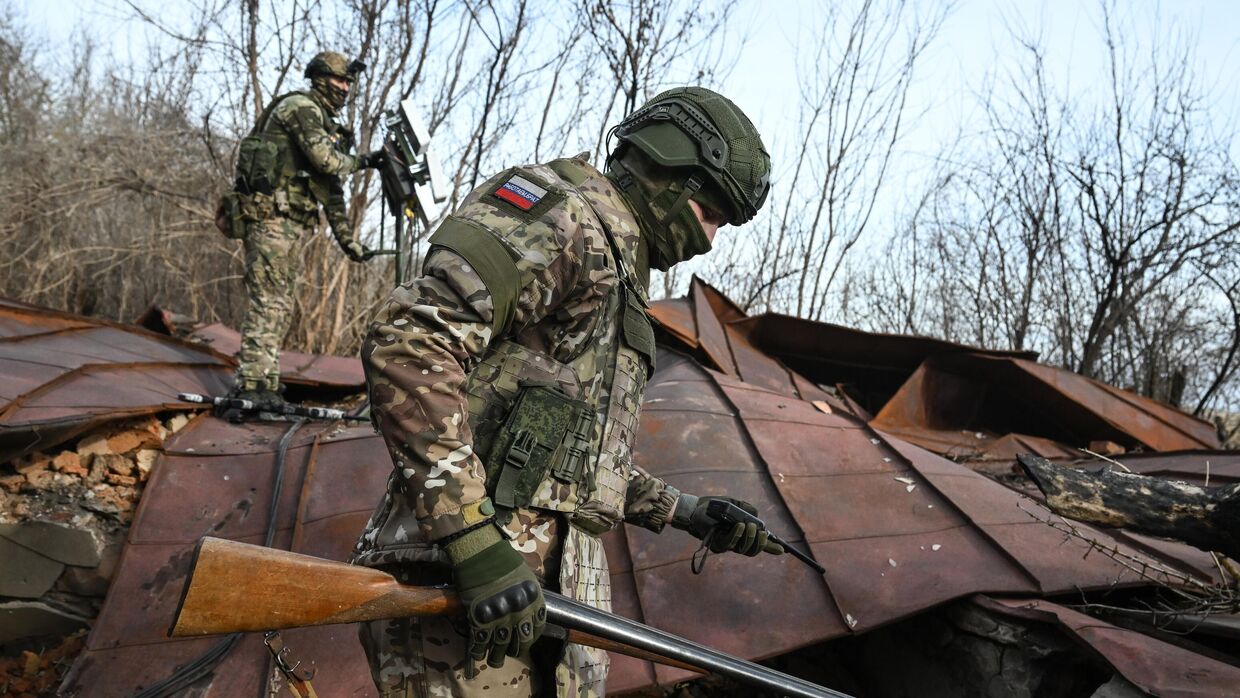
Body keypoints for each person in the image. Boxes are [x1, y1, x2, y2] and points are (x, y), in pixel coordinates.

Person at [352, 86, 780, 697]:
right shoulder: (563, 216)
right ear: (670, 176)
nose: (709, 241)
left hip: (555, 601)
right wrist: (472, 541)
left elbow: (563, 461)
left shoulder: (617, 270)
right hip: (462, 595)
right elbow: (411, 342)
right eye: (710, 215)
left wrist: (684, 512)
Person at [228, 51, 385, 402]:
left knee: (280, 305)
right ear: (319, 78)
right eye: (339, 80)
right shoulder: (302, 108)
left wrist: (349, 242)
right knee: (269, 301)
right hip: (270, 220)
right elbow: (326, 161)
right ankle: (251, 385)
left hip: (289, 225)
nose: (345, 88)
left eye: (348, 82)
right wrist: (366, 161)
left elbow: (330, 192)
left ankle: (264, 382)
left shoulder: (325, 123)